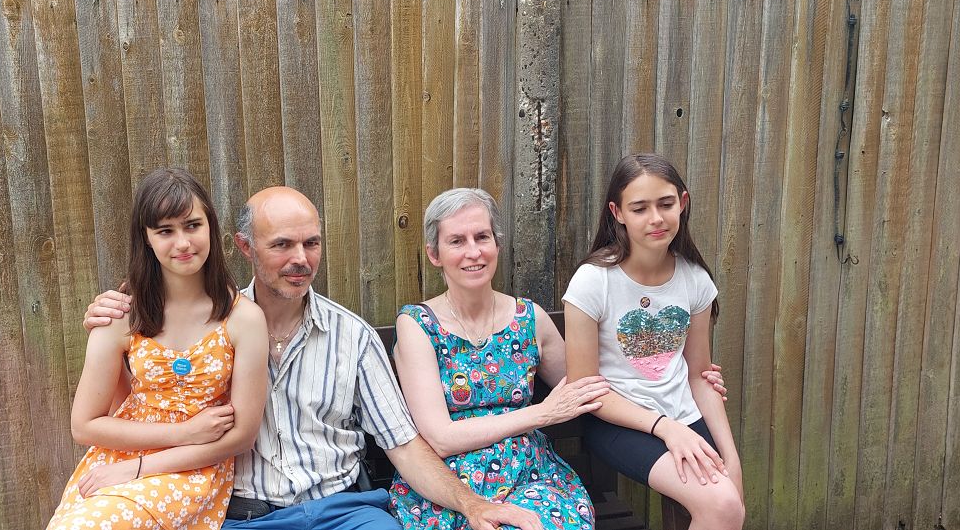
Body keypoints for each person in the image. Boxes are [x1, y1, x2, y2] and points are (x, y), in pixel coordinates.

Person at [83, 186, 544, 530]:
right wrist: (112, 320)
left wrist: (472, 505)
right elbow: (146, 397)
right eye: (282, 244)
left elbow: (403, 445)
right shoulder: (209, 333)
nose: (301, 259)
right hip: (244, 516)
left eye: (312, 243)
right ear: (245, 247)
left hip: (344, 512)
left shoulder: (353, 337)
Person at [47, 168, 269, 530]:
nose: (182, 243)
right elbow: (84, 425)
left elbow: (241, 436)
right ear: (147, 239)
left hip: (192, 468)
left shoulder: (243, 319)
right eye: (165, 231)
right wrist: (180, 433)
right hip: (116, 461)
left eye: (192, 225)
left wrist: (142, 467)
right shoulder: (121, 314)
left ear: (211, 227)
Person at [390, 188, 609, 530]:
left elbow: (584, 383)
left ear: (497, 244)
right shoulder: (418, 326)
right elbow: (440, 438)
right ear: (435, 254)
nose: (473, 251)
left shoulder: (529, 318)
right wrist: (542, 413)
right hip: (450, 489)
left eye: (482, 237)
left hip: (533, 477)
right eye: (456, 241)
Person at [562, 153, 745, 530]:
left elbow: (700, 377)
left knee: (730, 503)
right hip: (618, 419)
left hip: (684, 414)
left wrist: (733, 459)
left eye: (665, 204)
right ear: (617, 212)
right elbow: (585, 388)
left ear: (683, 202)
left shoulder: (694, 280)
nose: (656, 218)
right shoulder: (593, 282)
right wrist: (665, 427)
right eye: (640, 208)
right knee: (722, 504)